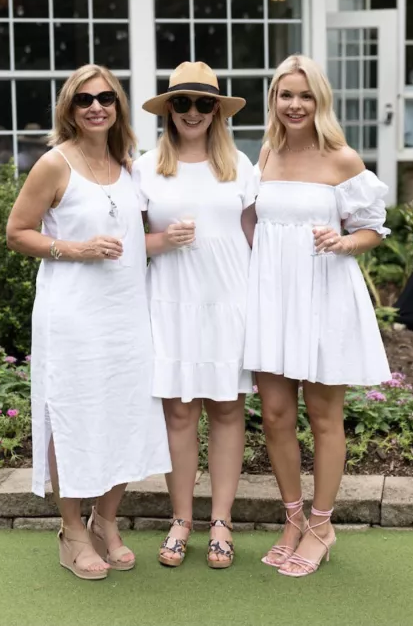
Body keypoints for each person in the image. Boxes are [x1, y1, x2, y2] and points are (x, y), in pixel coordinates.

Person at [6, 64, 171, 581]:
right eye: (84, 100)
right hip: (72, 315)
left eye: (105, 97)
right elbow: (17, 232)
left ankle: (106, 520)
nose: (96, 106)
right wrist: (74, 249)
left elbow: (132, 241)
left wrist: (179, 238)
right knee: (74, 415)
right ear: (69, 109)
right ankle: (72, 531)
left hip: (126, 313)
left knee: (126, 414)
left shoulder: (129, 166)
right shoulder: (54, 165)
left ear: (118, 105)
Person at [244, 54, 391, 578]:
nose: (295, 104)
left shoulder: (342, 159)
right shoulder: (264, 154)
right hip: (272, 299)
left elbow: (374, 229)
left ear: (320, 101)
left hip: (325, 294)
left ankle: (323, 525)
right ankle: (292, 520)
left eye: (305, 96)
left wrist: (345, 238)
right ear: (274, 100)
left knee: (325, 417)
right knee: (278, 417)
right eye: (286, 95)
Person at [133, 62, 256, 569]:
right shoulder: (144, 167)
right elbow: (125, 245)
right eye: (181, 103)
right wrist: (162, 241)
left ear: (217, 111)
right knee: (179, 413)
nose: (192, 112)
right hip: (169, 302)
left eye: (204, 103)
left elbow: (255, 237)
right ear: (168, 110)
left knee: (228, 410)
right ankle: (181, 520)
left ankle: (222, 522)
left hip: (230, 301)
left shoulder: (241, 166)